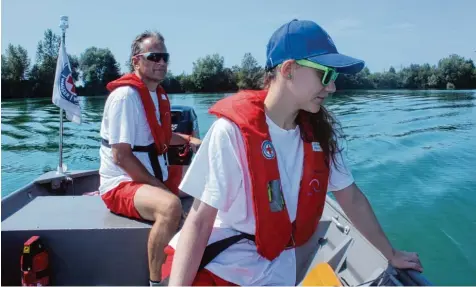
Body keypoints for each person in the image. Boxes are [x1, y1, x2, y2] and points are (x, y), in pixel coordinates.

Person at [165, 19, 424, 286]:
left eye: (334, 77)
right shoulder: (230, 132)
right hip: (221, 269)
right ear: (289, 69)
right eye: (325, 74)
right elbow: (198, 222)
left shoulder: (322, 135)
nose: (332, 87)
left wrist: (390, 253)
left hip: (276, 271)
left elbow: (352, 199)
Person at [98, 30, 201, 286]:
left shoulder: (155, 95)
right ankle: (156, 282)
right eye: (154, 57)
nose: (162, 63)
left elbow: (162, 137)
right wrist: (161, 189)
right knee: (171, 207)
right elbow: (121, 157)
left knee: (208, 192)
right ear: (136, 61)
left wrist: (191, 141)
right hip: (121, 184)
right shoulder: (125, 97)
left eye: (165, 57)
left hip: (153, 177)